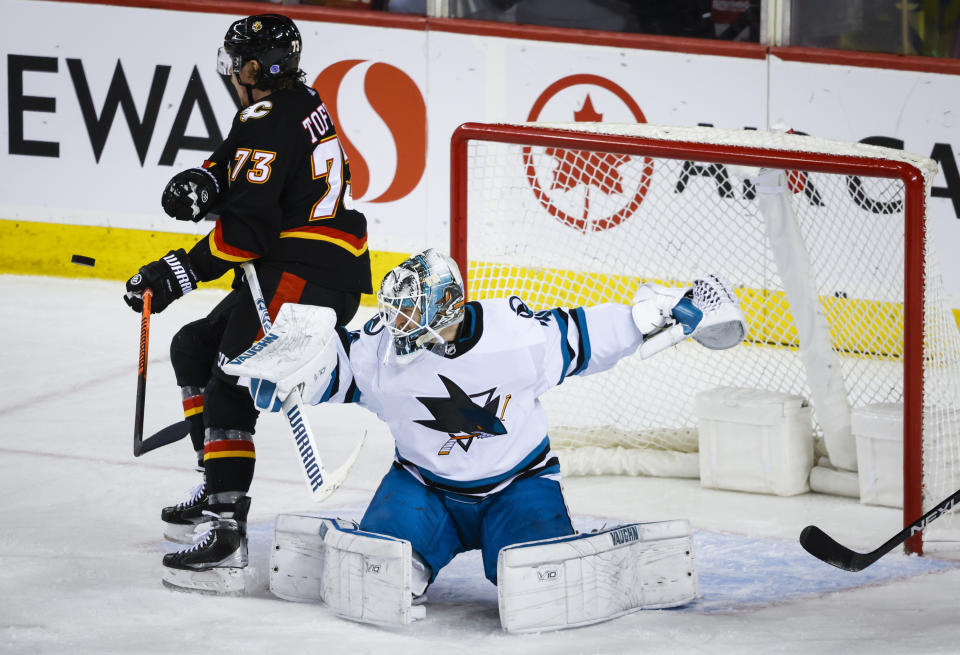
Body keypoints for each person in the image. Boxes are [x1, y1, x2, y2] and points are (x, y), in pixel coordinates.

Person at [228, 248, 746, 617]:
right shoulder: (381, 349)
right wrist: (293, 376)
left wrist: (654, 315)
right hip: (424, 489)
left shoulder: (517, 337)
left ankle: (569, 549)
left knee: (535, 589)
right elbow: (337, 369)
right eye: (396, 312)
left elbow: (589, 335)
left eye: (411, 313)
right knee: (381, 580)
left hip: (519, 487)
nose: (398, 326)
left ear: (448, 309)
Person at [121, 13, 372, 592]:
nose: (231, 70)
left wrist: (173, 273)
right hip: (311, 268)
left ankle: (227, 532)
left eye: (238, 59)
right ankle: (215, 481)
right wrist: (208, 181)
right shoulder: (295, 102)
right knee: (194, 347)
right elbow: (245, 163)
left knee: (231, 381)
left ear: (257, 67)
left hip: (304, 276)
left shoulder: (266, 117)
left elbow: (245, 237)